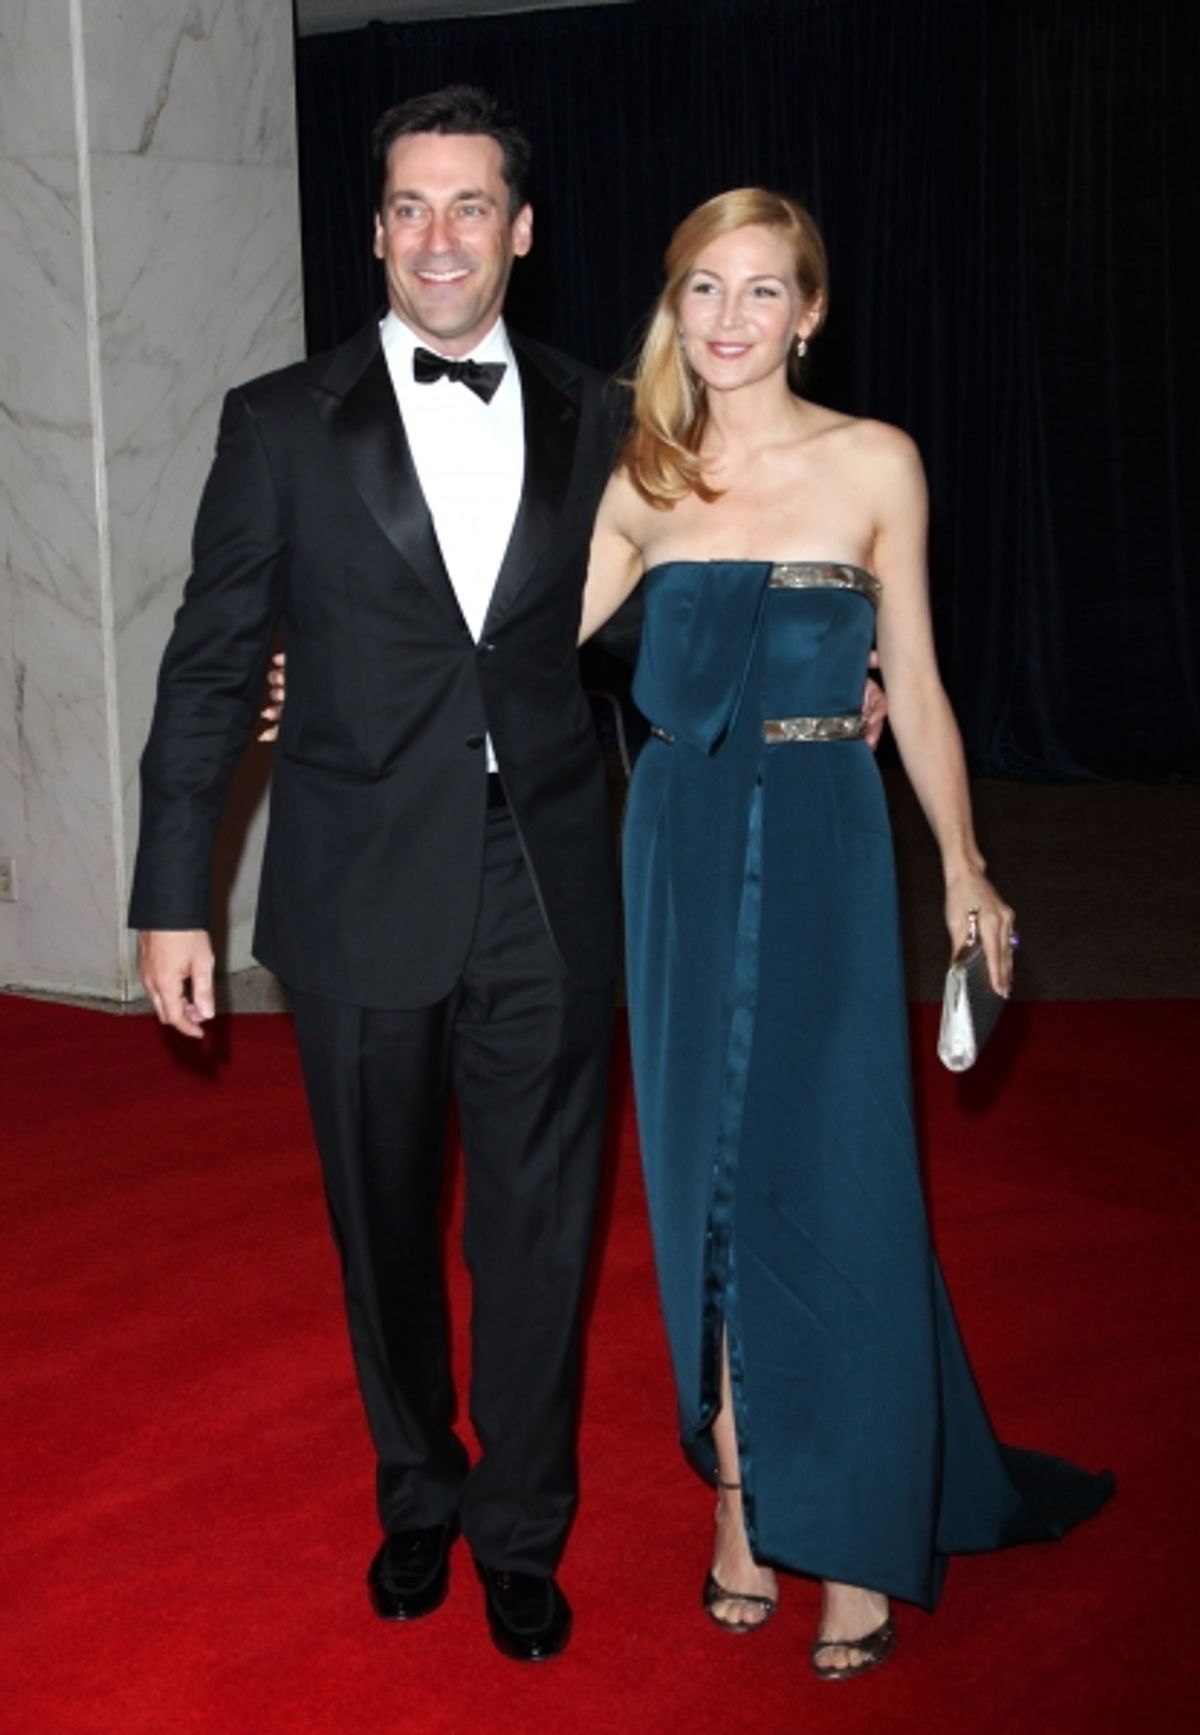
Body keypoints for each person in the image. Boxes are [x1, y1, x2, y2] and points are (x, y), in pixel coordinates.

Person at [577, 189, 1114, 1680]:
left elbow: (921, 689)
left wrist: (962, 869)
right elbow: (507, 656)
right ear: (672, 306)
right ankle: (747, 1509)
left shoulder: (877, 461)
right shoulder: (636, 475)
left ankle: (863, 1529)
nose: (731, 319)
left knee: (836, 1174)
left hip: (822, 834)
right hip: (677, 849)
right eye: (703, 288)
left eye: (764, 292)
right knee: (703, 1189)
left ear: (811, 311)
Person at [129, 85, 626, 1664]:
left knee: (542, 1231)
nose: (439, 236)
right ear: (375, 229)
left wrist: (837, 668)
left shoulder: (603, 414)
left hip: (546, 869)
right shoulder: (280, 420)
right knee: (384, 1226)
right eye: (409, 206)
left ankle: (520, 1529)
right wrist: (169, 892)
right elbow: (212, 665)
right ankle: (420, 1486)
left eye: (470, 205)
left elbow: (663, 619)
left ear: (521, 231)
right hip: (353, 883)